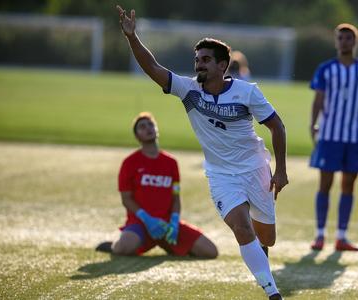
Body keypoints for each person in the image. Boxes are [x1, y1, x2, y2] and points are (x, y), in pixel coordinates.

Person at [116, 5, 288, 300]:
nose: (199, 65)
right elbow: (154, 68)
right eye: (197, 60)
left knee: (266, 237)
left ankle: (261, 256)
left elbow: (278, 127)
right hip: (221, 175)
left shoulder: (247, 92)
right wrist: (133, 38)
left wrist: (281, 170)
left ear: (223, 66)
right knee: (241, 227)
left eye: (206, 60)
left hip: (255, 169)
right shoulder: (188, 90)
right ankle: (272, 292)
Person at [96, 112, 218, 258]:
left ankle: (170, 244)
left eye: (151, 124)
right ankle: (114, 244)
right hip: (140, 223)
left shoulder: (170, 162)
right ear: (137, 136)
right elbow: (126, 198)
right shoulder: (130, 163)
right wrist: (147, 219)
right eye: (142, 126)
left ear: (156, 130)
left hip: (167, 225)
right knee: (123, 248)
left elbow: (175, 196)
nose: (148, 128)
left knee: (210, 251)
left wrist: (174, 221)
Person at [308, 23, 358, 252]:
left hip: (355, 137)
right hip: (330, 135)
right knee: (325, 184)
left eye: (348, 38)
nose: (344, 42)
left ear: (354, 42)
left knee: (348, 186)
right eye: (340, 38)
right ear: (336, 41)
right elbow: (318, 99)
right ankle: (319, 235)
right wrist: (313, 123)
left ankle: (341, 236)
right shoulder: (326, 69)